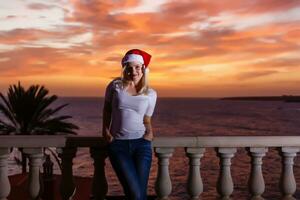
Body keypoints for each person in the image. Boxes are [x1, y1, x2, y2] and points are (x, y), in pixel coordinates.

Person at [102, 49, 157, 200]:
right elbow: (107, 110)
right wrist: (105, 130)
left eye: (137, 67)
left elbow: (146, 119)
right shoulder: (115, 86)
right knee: (136, 195)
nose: (133, 71)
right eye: (130, 67)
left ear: (143, 68)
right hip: (118, 146)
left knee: (138, 194)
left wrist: (150, 132)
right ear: (125, 68)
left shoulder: (151, 94)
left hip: (142, 146)